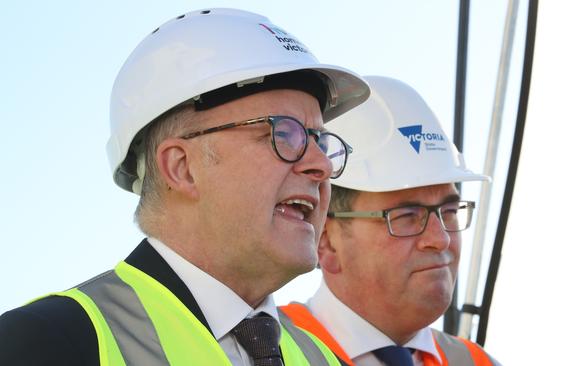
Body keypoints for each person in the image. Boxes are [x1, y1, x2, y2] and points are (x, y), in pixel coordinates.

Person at [0, 8, 370, 365]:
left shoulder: (323, 359)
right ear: (182, 168)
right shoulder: (48, 342)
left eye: (319, 140)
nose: (321, 165)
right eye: (283, 133)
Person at [280, 76, 501, 366]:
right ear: (326, 241)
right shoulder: (264, 351)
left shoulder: (475, 362)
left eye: (449, 211)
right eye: (407, 217)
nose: (440, 238)